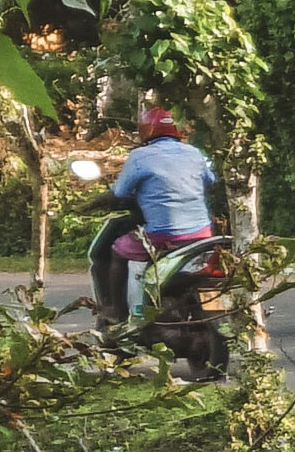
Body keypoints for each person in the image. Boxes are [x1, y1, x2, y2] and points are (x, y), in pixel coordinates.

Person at [92, 103, 216, 326]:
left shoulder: (140, 156)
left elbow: (119, 192)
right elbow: (210, 180)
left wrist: (90, 204)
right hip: (202, 234)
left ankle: (117, 312)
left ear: (146, 130)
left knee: (118, 251)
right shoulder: (194, 153)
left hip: (162, 236)